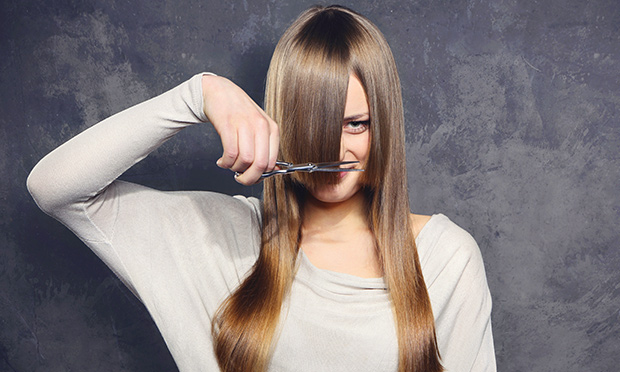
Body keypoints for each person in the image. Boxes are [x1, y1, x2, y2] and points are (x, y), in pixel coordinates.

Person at [27, 5, 495, 372]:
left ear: (384, 127)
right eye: (315, 123)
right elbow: (55, 188)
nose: (335, 147)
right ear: (280, 125)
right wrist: (200, 94)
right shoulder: (221, 239)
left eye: (356, 124)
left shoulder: (445, 261)